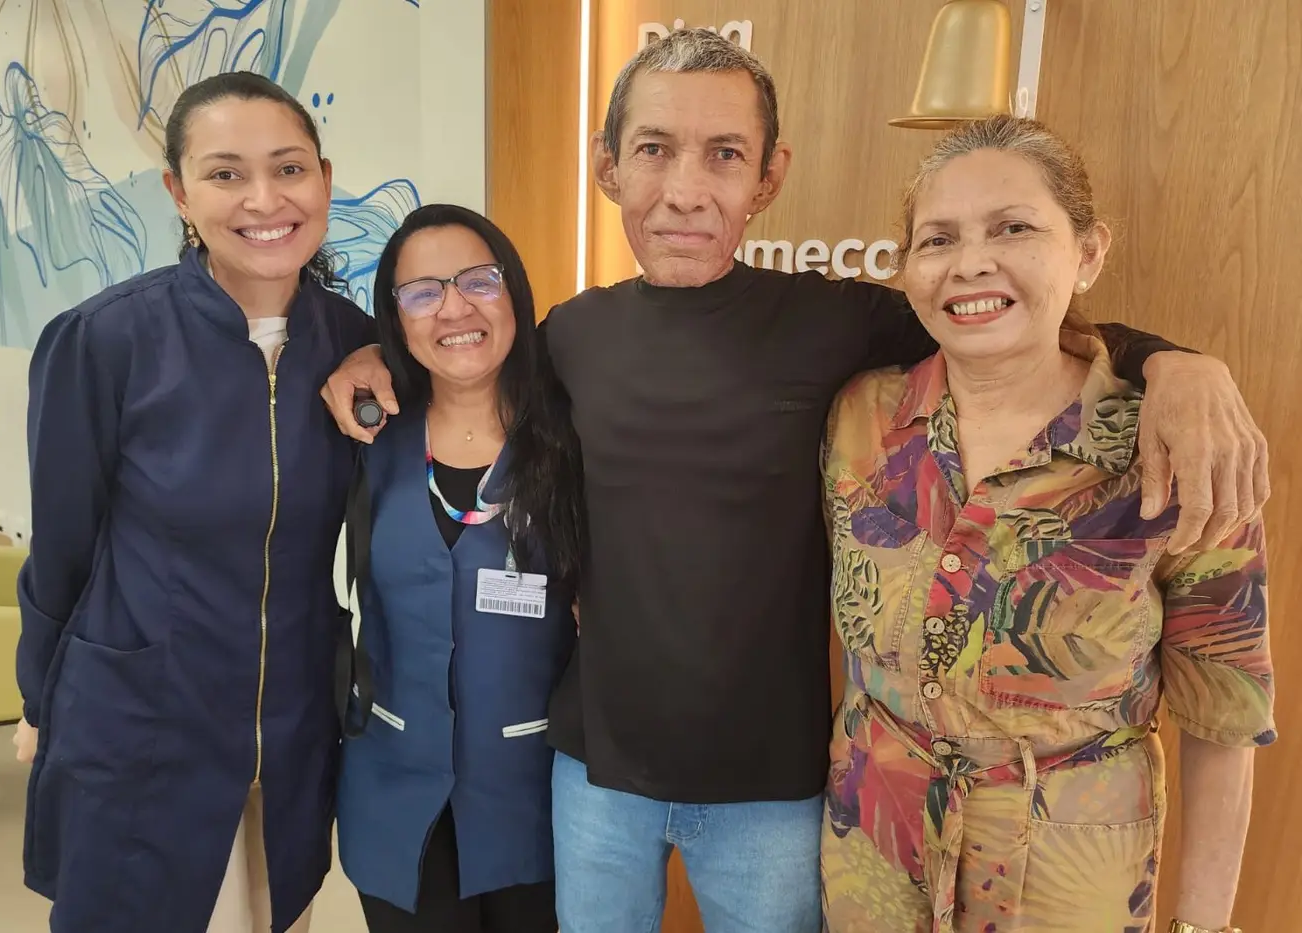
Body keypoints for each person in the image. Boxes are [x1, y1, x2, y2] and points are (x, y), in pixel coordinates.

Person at [320, 30, 1270, 933]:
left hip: (776, 791)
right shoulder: (570, 336)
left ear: (769, 177)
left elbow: (1000, 314)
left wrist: (1173, 362)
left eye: (724, 155)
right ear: (607, 166)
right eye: (653, 149)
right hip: (597, 772)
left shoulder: (836, 327)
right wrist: (372, 357)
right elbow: (461, 363)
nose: (685, 190)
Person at [820, 114, 1273, 933]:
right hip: (872, 861)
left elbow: (1223, 717)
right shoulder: (860, 416)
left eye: (1013, 228)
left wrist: (1202, 927)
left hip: (1068, 881)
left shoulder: (1175, 447)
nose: (971, 262)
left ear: (1088, 252)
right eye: (938, 239)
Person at [11, 72, 376, 933]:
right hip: (143, 714)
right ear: (179, 192)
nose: (264, 200)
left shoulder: (354, 344)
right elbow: (61, 547)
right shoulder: (107, 339)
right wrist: (39, 698)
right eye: (225, 174)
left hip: (292, 718)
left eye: (289, 168)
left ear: (324, 179)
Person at [335, 204, 583, 933]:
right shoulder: (366, 433)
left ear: (514, 293)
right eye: (422, 292)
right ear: (396, 318)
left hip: (537, 800)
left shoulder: (576, 434)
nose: (454, 309)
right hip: (392, 795)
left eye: (478, 280)